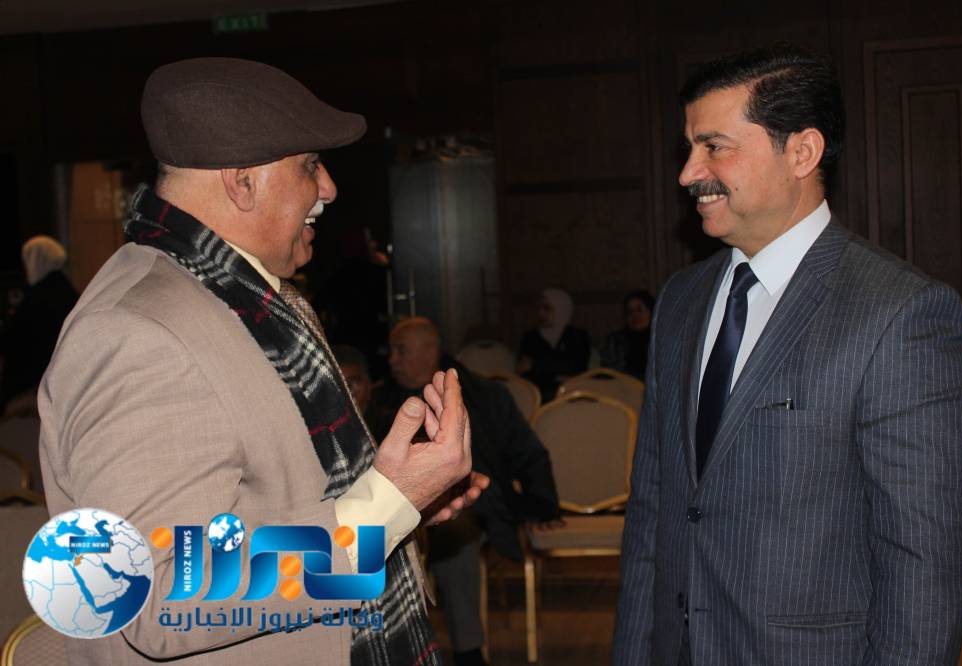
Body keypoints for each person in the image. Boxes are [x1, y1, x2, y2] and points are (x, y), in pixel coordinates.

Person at [38, 57, 487, 666]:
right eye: (310, 165)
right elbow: (153, 594)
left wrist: (405, 499)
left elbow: (280, 499)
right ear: (241, 182)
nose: (328, 188)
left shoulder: (244, 295)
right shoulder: (137, 333)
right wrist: (383, 509)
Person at [613, 44, 962, 666]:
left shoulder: (901, 313)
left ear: (803, 152)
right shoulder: (679, 300)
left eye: (714, 147)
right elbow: (654, 506)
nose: (688, 173)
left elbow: (926, 563)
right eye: (689, 148)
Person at [367, 317, 561, 666]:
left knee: (453, 532)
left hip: (470, 507)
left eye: (400, 351)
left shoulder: (485, 396)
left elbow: (528, 454)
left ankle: (468, 651)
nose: (392, 360)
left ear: (430, 353)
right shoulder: (378, 399)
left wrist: (542, 505)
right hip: (389, 510)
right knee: (365, 537)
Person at [0, 236, 78, 414]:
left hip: (38, 390)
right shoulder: (67, 292)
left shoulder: (37, 299)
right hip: (65, 386)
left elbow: (11, 340)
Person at [517, 287, 590, 401]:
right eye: (538, 308)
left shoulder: (578, 336)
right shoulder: (530, 338)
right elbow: (524, 370)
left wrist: (536, 365)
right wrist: (557, 372)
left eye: (547, 308)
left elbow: (576, 366)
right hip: (538, 395)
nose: (540, 313)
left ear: (561, 309)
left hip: (572, 394)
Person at [599, 289, 655, 379]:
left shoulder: (659, 340)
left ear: (651, 312)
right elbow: (608, 371)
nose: (635, 315)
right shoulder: (615, 340)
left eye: (639, 309)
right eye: (630, 311)